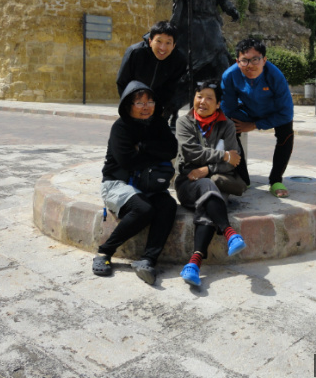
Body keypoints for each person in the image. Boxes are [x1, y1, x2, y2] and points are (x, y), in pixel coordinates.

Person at [92, 81, 178, 285]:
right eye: (139, 103)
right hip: (118, 183)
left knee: (168, 205)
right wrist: (156, 153)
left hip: (149, 184)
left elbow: (172, 149)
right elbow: (128, 161)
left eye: (150, 102)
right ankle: (104, 252)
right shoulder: (120, 128)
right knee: (143, 208)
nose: (146, 107)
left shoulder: (158, 124)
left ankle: (148, 260)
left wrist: (143, 147)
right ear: (128, 105)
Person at [150, 0, 239, 116]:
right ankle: (170, 109)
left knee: (221, 61)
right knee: (188, 69)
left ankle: (223, 109)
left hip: (211, 24)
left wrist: (230, 9)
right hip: (190, 24)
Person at [175, 79, 247, 287]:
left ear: (218, 104)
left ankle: (194, 264)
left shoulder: (227, 125)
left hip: (215, 181)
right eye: (199, 96)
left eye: (209, 98)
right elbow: (191, 153)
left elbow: (234, 163)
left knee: (210, 192)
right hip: (187, 182)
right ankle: (229, 232)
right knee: (209, 188)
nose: (202, 102)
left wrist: (207, 169)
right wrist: (223, 155)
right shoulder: (184, 122)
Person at [221, 38, 294, 198]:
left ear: (264, 60)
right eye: (244, 61)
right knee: (227, 127)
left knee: (286, 133)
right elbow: (228, 108)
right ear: (237, 61)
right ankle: (243, 178)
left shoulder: (275, 76)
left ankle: (276, 180)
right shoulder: (229, 76)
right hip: (246, 111)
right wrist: (236, 123)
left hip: (273, 112)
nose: (250, 65)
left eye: (255, 59)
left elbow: (286, 113)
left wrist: (255, 125)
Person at [116, 21, 187, 118]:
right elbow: (122, 82)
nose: (162, 48)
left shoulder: (179, 60)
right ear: (150, 41)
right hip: (134, 107)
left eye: (168, 43)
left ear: (173, 45)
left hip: (158, 110)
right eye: (159, 41)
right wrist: (129, 107)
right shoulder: (135, 53)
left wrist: (162, 111)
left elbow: (172, 89)